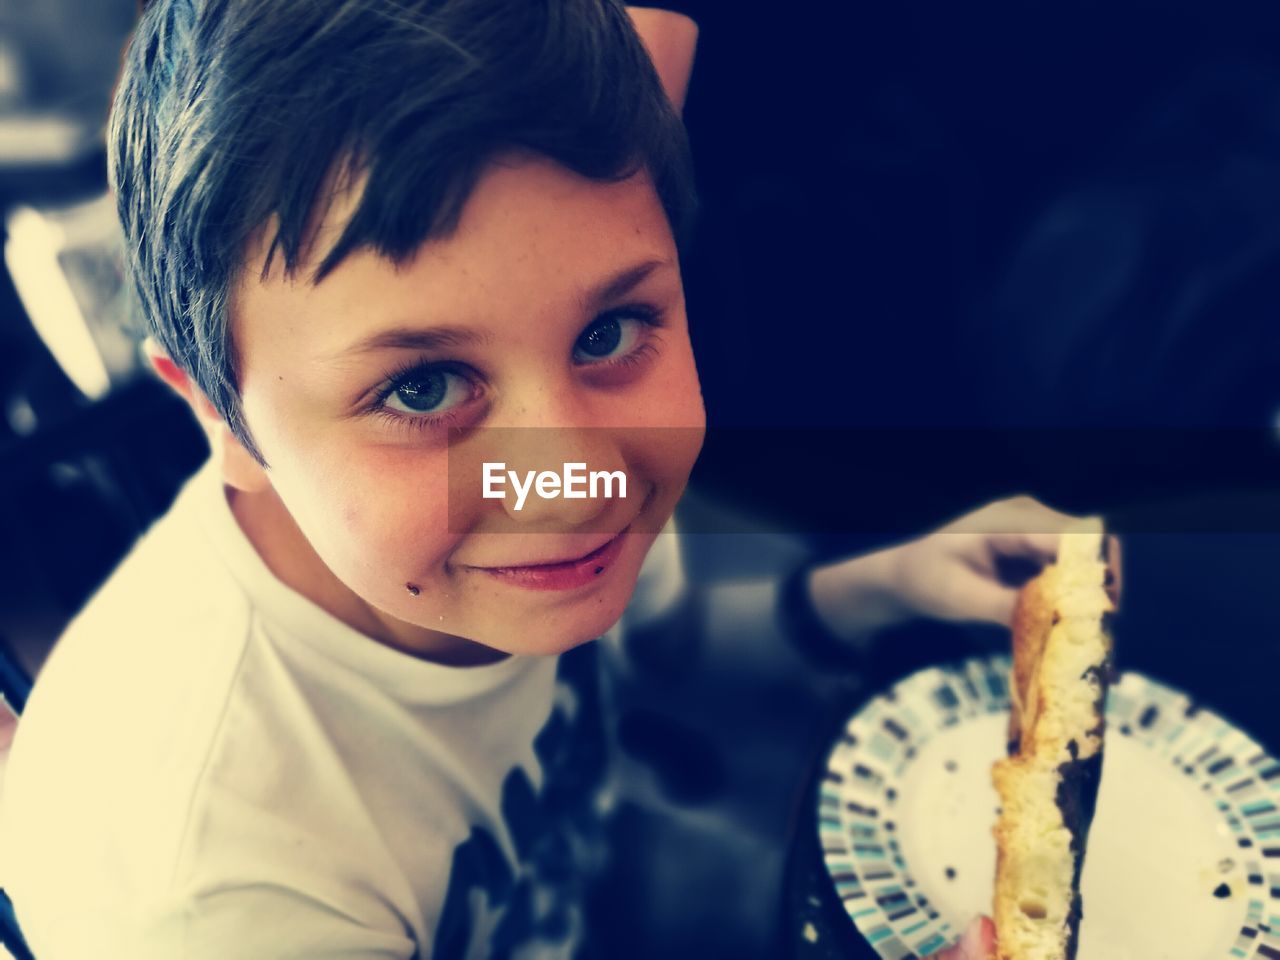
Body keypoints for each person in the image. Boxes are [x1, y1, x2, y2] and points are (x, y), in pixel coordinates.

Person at [0, 1, 1061, 956]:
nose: (579, 481)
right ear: (216, 416)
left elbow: (658, 648)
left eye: (609, 328)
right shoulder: (217, 897)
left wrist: (880, 587)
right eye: (421, 390)